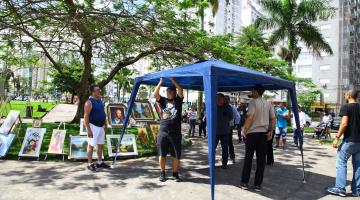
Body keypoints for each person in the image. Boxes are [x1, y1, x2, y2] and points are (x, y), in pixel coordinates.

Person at [240, 85, 276, 191]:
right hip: (263, 135)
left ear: (256, 92)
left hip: (252, 134)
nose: (251, 92)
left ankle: (244, 182)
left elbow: (250, 116)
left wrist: (244, 129)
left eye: (252, 90)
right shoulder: (268, 104)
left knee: (248, 159)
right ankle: (257, 185)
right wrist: (271, 130)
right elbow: (273, 119)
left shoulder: (253, 102)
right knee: (261, 161)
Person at [326, 89, 360, 197]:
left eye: (345, 94)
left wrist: (336, 137)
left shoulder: (346, 107)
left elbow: (344, 124)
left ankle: (340, 188)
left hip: (350, 140)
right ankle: (356, 190)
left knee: (341, 162)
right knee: (358, 166)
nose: (344, 96)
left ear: (349, 96)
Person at [153, 77, 184, 182]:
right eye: (167, 91)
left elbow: (181, 90)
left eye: (171, 91)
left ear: (174, 93)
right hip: (163, 132)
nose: (169, 93)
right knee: (162, 154)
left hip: (175, 133)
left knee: (176, 155)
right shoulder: (163, 101)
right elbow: (155, 94)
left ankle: (175, 174)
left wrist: (174, 81)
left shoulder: (178, 101)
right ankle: (162, 173)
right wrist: (160, 82)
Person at [84, 84, 110, 172]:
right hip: (93, 126)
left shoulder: (99, 101)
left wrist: (106, 124)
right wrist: (88, 129)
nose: (100, 91)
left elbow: (103, 113)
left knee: (100, 145)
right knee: (91, 146)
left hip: (101, 127)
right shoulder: (89, 102)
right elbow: (86, 116)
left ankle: (99, 162)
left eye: (99, 89)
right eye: (98, 90)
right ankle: (90, 164)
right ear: (93, 92)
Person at [216, 93, 234, 169]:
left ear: (223, 99)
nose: (218, 99)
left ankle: (224, 163)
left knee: (225, 148)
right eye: (217, 98)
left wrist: (224, 121)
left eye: (220, 98)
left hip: (225, 131)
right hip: (215, 131)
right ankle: (212, 162)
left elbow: (231, 117)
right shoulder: (213, 106)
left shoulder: (228, 107)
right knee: (213, 148)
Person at [225, 95, 241, 163]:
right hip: (221, 127)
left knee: (229, 142)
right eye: (224, 99)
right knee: (224, 143)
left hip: (229, 127)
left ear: (229, 100)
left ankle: (232, 157)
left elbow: (237, 116)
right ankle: (225, 157)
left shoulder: (232, 107)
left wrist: (235, 125)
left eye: (226, 99)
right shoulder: (220, 106)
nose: (225, 101)